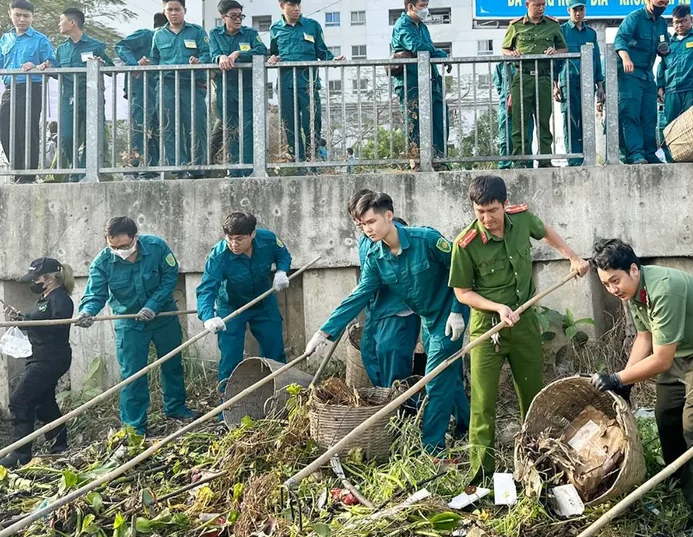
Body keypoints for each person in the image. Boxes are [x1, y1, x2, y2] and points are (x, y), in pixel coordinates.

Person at [589, 239, 693, 537]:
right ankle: (679, 479)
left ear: (634, 269)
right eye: (606, 284)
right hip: (683, 351)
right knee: (666, 413)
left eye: (615, 281)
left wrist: (617, 378)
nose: (613, 289)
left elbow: (661, 359)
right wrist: (626, 385)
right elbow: (644, 338)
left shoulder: (663, 289)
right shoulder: (634, 292)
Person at [307, 192, 470, 452]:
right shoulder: (375, 256)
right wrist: (325, 331)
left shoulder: (426, 239)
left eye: (371, 221)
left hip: (449, 313)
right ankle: (467, 426)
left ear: (389, 216)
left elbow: (461, 267)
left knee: (434, 378)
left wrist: (458, 310)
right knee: (447, 372)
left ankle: (432, 448)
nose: (367, 229)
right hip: (428, 318)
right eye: (362, 225)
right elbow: (360, 294)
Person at [449, 175, 588, 479]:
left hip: (524, 327)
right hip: (488, 331)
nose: (487, 218)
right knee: (483, 404)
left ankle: (538, 465)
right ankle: (480, 475)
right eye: (480, 212)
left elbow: (546, 232)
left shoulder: (521, 219)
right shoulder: (466, 244)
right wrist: (497, 308)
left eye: (492, 210)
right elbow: (462, 292)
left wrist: (573, 256)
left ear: (505, 205)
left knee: (534, 396)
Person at [78, 217, 195, 434]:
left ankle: (176, 408)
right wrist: (87, 311)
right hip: (129, 323)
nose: (118, 250)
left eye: (123, 246)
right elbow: (95, 294)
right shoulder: (102, 262)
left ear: (135, 238)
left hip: (163, 317)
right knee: (132, 375)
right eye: (113, 246)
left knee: (172, 364)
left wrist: (153, 304)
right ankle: (135, 426)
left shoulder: (157, 247)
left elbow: (170, 276)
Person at [196, 212, 292, 390]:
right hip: (230, 307)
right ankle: (226, 408)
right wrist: (208, 317)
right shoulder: (218, 257)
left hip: (264, 303)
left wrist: (281, 271)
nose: (234, 244)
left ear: (253, 234)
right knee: (230, 357)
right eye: (230, 238)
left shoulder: (268, 240)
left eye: (240, 239)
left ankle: (280, 396)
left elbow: (283, 255)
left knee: (275, 351)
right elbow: (206, 289)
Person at [0, 259, 75, 468]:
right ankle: (60, 445)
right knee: (44, 402)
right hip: (38, 356)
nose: (34, 281)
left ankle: (20, 453)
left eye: (37, 278)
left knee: (20, 400)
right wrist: (20, 319)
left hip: (50, 358)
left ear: (51, 278)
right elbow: (36, 324)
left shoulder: (60, 299)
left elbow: (56, 328)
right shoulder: (44, 298)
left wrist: (28, 323)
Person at [346, 189, 422, 387]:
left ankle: (402, 407)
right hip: (375, 308)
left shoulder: (395, 232)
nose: (362, 226)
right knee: (369, 351)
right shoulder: (365, 240)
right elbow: (368, 275)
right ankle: (385, 396)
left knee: (394, 359)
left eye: (366, 221)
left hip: (398, 309)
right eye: (358, 221)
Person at [501, 0, 568, 168]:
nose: (541, 8)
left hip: (544, 78)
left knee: (544, 121)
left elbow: (563, 48)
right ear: (527, 4)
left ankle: (545, 160)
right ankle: (521, 161)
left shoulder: (553, 25)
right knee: (519, 122)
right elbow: (505, 49)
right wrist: (512, 53)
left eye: (543, 5)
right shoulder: (516, 26)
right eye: (537, 5)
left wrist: (555, 51)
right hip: (522, 78)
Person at [150, 0, 211, 178]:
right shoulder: (158, 35)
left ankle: (198, 167)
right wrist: (147, 63)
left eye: (177, 9)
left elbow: (208, 53)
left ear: (185, 10)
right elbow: (155, 59)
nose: (174, 13)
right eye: (170, 10)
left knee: (196, 126)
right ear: (164, 11)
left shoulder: (197, 31)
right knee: (168, 126)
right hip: (167, 84)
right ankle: (179, 168)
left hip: (192, 84)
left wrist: (199, 61)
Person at [268, 0, 333, 162]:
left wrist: (334, 59)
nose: (296, 8)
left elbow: (322, 52)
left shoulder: (312, 26)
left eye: (298, 4)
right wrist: (272, 58)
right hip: (285, 84)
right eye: (292, 4)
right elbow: (272, 53)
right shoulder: (275, 29)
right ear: (282, 6)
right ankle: (298, 160)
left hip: (308, 83)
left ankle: (313, 158)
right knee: (289, 123)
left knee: (312, 121)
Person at [614, 0, 673, 165]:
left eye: (665, 4)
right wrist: (625, 58)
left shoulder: (662, 24)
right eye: (659, 3)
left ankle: (649, 153)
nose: (662, 7)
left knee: (650, 116)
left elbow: (664, 44)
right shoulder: (635, 18)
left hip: (648, 76)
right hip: (629, 74)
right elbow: (620, 39)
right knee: (630, 114)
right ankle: (635, 154)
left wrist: (664, 49)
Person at [52, 8, 113, 179]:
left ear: (72, 23)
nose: (59, 24)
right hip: (69, 98)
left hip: (91, 97)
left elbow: (111, 70)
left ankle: (86, 173)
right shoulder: (61, 49)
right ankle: (76, 168)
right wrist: (46, 68)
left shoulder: (96, 45)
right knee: (65, 136)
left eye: (61, 20)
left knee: (92, 137)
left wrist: (101, 64)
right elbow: (58, 73)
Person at [209, 0, 268, 177]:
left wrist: (239, 54)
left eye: (240, 15)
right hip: (225, 88)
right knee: (230, 128)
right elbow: (212, 54)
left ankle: (248, 169)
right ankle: (234, 169)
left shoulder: (250, 34)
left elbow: (262, 50)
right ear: (223, 17)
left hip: (248, 89)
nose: (238, 19)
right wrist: (220, 57)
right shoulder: (214, 34)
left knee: (248, 128)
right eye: (233, 16)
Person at [390, 0, 450, 161]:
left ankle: (439, 159)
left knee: (440, 120)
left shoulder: (422, 26)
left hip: (430, 81)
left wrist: (438, 56)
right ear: (411, 6)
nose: (426, 10)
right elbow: (419, 47)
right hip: (411, 83)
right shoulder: (403, 26)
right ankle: (415, 161)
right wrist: (441, 54)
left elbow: (427, 49)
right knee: (414, 124)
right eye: (422, 6)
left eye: (426, 5)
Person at [0, 0, 55, 183]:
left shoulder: (40, 39)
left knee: (27, 129)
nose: (22, 19)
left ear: (33, 17)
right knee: (5, 128)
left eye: (26, 16)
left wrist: (38, 65)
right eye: (18, 15)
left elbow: (52, 63)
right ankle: (17, 170)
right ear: (10, 14)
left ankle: (29, 174)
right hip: (10, 87)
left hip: (32, 87)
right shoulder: (6, 38)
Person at [553, 0, 604, 167]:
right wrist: (555, 84)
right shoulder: (562, 31)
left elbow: (596, 59)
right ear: (569, 10)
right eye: (575, 9)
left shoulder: (591, 34)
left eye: (581, 9)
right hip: (569, 81)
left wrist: (600, 84)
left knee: (586, 121)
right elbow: (557, 59)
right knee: (570, 120)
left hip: (588, 83)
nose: (578, 13)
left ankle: (587, 158)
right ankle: (574, 159)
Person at [116, 12, 168, 176]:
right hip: (141, 88)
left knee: (156, 130)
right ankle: (132, 167)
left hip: (159, 89)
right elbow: (120, 46)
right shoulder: (146, 35)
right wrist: (134, 64)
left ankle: (150, 171)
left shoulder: (170, 41)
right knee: (139, 128)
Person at [656, 4, 693, 148]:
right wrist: (660, 86)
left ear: (691, 19)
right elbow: (661, 65)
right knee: (670, 127)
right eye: (676, 22)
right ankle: (672, 160)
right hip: (671, 92)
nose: (679, 25)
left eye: (683, 21)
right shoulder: (668, 43)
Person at [493, 60, 533, 170]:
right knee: (505, 137)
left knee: (526, 134)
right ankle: (505, 164)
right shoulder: (501, 65)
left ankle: (525, 163)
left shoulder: (525, 64)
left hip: (525, 104)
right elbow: (498, 86)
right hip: (505, 106)